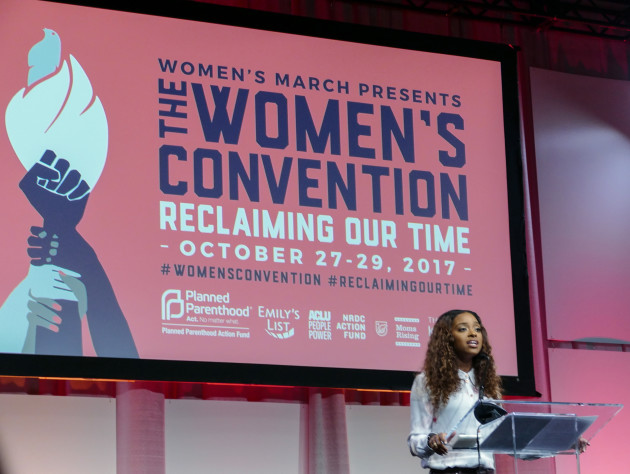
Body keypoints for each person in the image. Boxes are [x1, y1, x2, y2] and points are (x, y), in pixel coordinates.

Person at [408, 309, 502, 474]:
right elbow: (415, 440)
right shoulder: (426, 381)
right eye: (463, 329)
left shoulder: (489, 383)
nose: (473, 334)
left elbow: (500, 434)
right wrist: (431, 441)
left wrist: (531, 444)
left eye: (477, 329)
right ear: (447, 338)